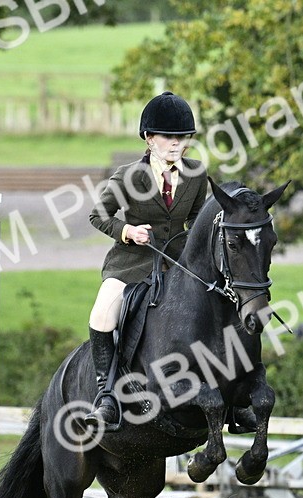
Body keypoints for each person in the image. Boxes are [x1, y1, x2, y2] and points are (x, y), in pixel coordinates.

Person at [84, 91, 209, 428]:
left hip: (179, 263)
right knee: (102, 314)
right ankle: (106, 396)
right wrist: (128, 231)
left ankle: (233, 390)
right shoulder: (129, 177)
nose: (176, 144)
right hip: (132, 263)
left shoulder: (197, 174)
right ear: (149, 138)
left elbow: (198, 220)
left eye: (183, 138)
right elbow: (98, 216)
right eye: (169, 137)